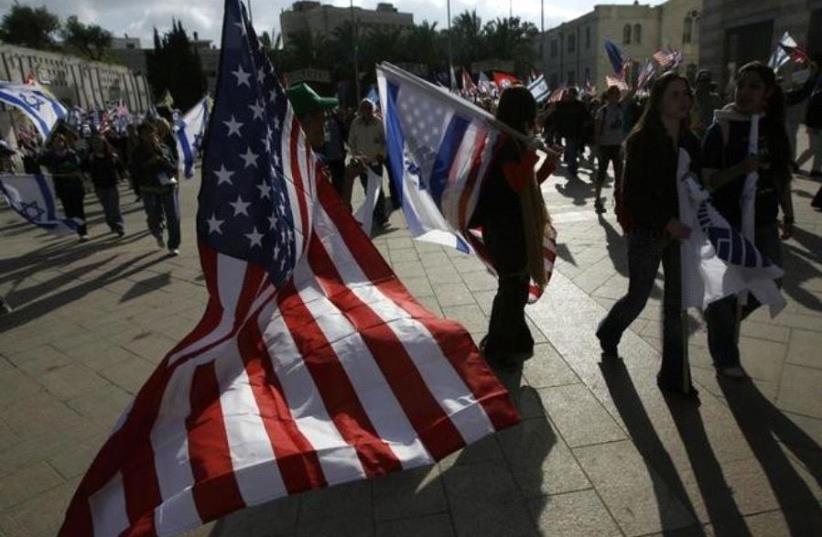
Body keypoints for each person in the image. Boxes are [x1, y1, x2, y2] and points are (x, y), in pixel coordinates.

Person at [597, 72, 701, 398]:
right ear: (658, 100)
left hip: (681, 234)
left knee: (675, 306)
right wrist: (665, 222)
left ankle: (674, 377)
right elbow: (633, 195)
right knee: (639, 297)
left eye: (686, 94)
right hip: (648, 232)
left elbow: (697, 185)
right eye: (674, 94)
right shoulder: (642, 140)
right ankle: (609, 331)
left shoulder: (690, 141)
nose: (683, 100)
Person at [701, 61, 794, 379]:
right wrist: (741, 168)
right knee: (725, 291)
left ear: (767, 93)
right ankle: (725, 355)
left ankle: (722, 322)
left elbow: (781, 176)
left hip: (765, 220)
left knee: (772, 281)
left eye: (754, 86)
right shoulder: (722, 127)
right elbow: (709, 181)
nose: (744, 92)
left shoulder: (773, 127)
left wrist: (788, 213)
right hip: (727, 221)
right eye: (741, 85)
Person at [471, 86, 560, 369]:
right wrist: (532, 154)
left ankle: (514, 340)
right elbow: (517, 183)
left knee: (516, 285)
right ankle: (498, 347)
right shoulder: (506, 143)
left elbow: (528, 184)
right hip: (503, 226)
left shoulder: (515, 140)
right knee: (511, 286)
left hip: (514, 223)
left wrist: (549, 162)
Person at [286, 83, 365, 207]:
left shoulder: (302, 161)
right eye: (322, 117)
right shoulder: (311, 166)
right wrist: (348, 180)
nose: (325, 124)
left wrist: (349, 178)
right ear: (307, 120)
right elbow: (336, 222)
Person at [130, 122, 181, 255]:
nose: (148, 135)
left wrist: (162, 160)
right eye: (145, 133)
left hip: (168, 186)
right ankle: (157, 233)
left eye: (151, 132)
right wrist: (149, 164)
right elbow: (135, 171)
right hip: (149, 189)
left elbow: (173, 165)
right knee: (153, 216)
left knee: (174, 216)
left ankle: (173, 245)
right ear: (140, 136)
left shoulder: (164, 147)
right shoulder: (137, 152)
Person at [38, 132, 89, 240]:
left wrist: (84, 180)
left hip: (75, 186)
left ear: (64, 142)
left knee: (79, 210)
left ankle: (83, 232)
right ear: (52, 144)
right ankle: (75, 228)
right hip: (62, 187)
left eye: (61, 141)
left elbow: (80, 165)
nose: (59, 143)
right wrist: (42, 150)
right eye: (56, 141)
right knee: (69, 211)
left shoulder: (71, 153)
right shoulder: (50, 155)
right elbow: (38, 161)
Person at [348, 99, 388, 227]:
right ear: (360, 110)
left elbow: (385, 141)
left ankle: (381, 216)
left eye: (368, 108)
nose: (366, 111)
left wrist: (381, 154)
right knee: (367, 189)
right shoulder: (355, 123)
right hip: (362, 164)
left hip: (376, 161)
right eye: (363, 108)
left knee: (378, 188)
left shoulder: (378, 123)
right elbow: (351, 142)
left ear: (372, 109)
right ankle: (373, 214)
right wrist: (356, 156)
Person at [593, 85, 631, 213]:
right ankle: (597, 199)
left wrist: (635, 85)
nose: (616, 97)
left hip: (617, 146)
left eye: (618, 94)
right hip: (605, 146)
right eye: (613, 94)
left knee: (619, 175)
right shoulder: (602, 111)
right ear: (608, 96)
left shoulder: (620, 107)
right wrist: (597, 148)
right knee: (601, 174)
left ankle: (618, 200)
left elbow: (630, 96)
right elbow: (597, 131)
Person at [84, 134, 126, 237]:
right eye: (95, 143)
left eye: (99, 143)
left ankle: (119, 225)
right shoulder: (91, 158)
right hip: (99, 185)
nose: (97, 145)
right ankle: (112, 223)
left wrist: (123, 176)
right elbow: (84, 169)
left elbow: (120, 168)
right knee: (107, 207)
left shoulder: (112, 156)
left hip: (112, 183)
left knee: (114, 206)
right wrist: (86, 178)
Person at [552, 87, 592, 179]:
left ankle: (572, 163)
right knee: (571, 148)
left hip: (578, 132)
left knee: (575, 149)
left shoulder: (580, 105)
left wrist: (585, 125)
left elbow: (587, 117)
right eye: (570, 94)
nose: (571, 96)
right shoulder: (564, 105)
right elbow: (557, 114)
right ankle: (572, 166)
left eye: (573, 94)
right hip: (569, 132)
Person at [796, 58, 822, 178]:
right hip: (815, 124)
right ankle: (796, 165)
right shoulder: (817, 96)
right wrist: (811, 125)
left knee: (819, 149)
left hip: (816, 124)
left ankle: (816, 170)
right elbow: (811, 110)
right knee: (814, 148)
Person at [691, 69, 724, 139]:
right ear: (697, 83)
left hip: (712, 135)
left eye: (707, 81)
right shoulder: (690, 99)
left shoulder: (716, 99)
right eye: (702, 81)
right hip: (694, 134)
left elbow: (720, 116)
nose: (704, 84)